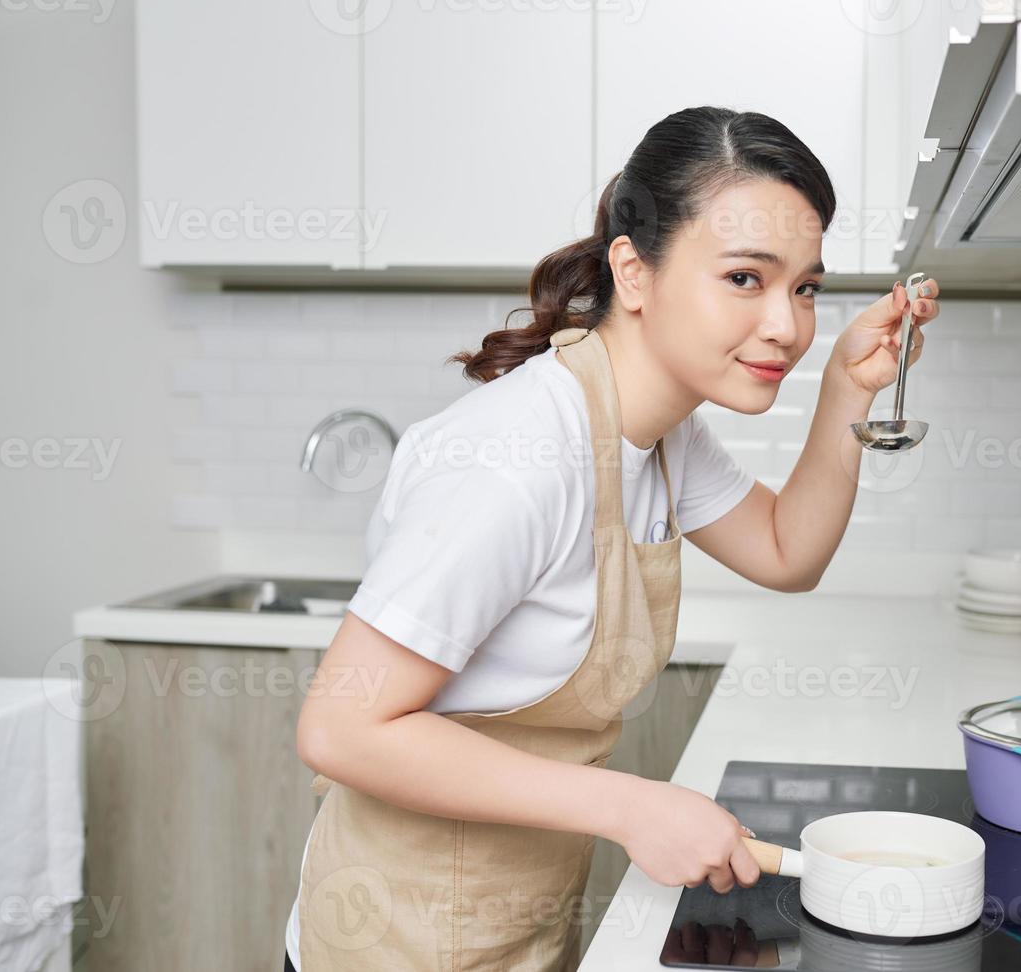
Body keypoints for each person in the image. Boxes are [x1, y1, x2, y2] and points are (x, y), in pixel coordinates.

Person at [283, 105, 938, 972]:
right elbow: (341, 728)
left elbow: (786, 552)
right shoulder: (519, 453)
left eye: (805, 287)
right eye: (745, 278)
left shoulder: (657, 432)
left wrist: (848, 390)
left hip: (510, 920)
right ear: (634, 271)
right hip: (393, 939)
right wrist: (632, 807)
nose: (787, 324)